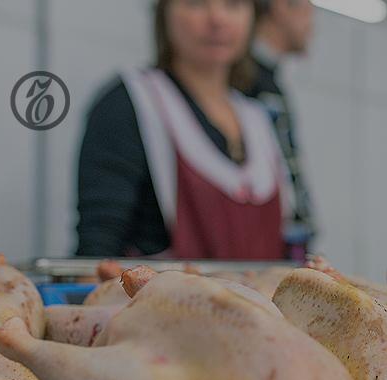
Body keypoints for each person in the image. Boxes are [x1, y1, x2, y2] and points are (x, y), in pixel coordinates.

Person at [77, 0, 289, 260]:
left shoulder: (259, 119)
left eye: (233, 4)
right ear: (164, 12)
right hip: (157, 287)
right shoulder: (131, 102)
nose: (217, 19)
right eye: (195, 3)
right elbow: (98, 249)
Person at [246, 0, 316, 260]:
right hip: (266, 246)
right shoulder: (245, 81)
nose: (312, 26)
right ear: (280, 7)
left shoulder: (270, 80)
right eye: (307, 11)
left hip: (289, 239)